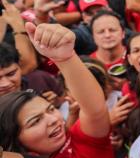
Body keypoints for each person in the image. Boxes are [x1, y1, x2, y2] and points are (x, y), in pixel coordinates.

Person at [0, 23, 113, 157]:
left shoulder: (80, 143)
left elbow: (95, 109)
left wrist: (65, 58)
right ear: (13, 139)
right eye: (35, 121)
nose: (53, 119)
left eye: (51, 109)